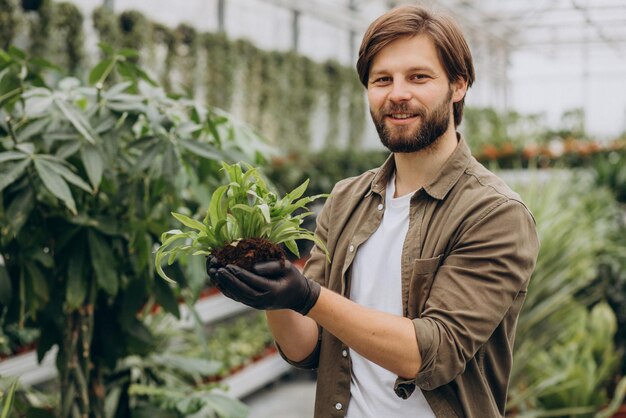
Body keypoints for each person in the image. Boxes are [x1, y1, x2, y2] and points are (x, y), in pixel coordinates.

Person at [207, 4, 539, 418]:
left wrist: (307, 295)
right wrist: (270, 289)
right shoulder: (346, 200)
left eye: (418, 76)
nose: (398, 93)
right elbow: (307, 348)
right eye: (383, 79)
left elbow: (432, 353)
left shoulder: (494, 213)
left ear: (458, 85)